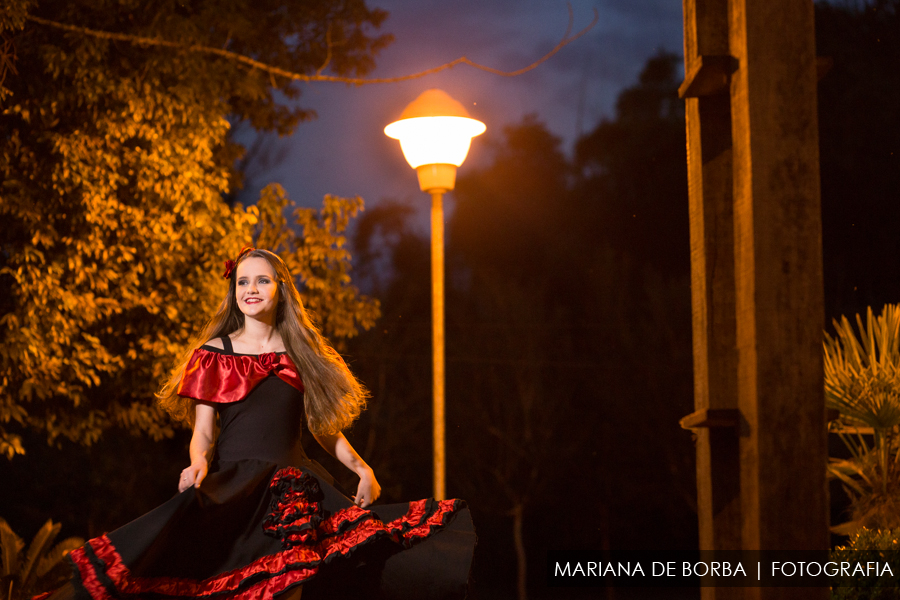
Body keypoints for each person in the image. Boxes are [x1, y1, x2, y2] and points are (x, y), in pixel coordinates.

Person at [47, 248, 475, 600]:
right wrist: (197, 463)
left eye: (262, 280)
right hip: (236, 490)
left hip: (296, 491)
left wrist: (362, 468)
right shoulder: (214, 353)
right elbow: (204, 433)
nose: (251, 289)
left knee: (307, 582)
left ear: (281, 289)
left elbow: (324, 429)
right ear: (234, 292)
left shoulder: (301, 353)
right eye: (243, 282)